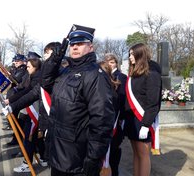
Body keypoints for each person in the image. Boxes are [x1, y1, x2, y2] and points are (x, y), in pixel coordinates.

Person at [41, 24, 115, 176]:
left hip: (77, 158)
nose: (75, 47)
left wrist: (94, 156)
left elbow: (102, 120)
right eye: (72, 44)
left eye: (80, 43)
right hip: (58, 152)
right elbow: (45, 82)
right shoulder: (66, 71)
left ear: (90, 47)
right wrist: (56, 57)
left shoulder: (95, 75)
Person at [124, 43, 162, 176]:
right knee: (136, 153)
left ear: (140, 54)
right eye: (129, 54)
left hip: (142, 120)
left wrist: (146, 125)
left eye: (132, 54)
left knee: (143, 154)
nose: (130, 57)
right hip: (131, 120)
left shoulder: (152, 74)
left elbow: (153, 103)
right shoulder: (134, 74)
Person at [99, 53, 127, 176]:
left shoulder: (120, 77)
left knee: (112, 158)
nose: (110, 64)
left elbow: (121, 98)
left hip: (114, 123)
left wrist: (120, 118)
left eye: (112, 62)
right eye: (108, 62)